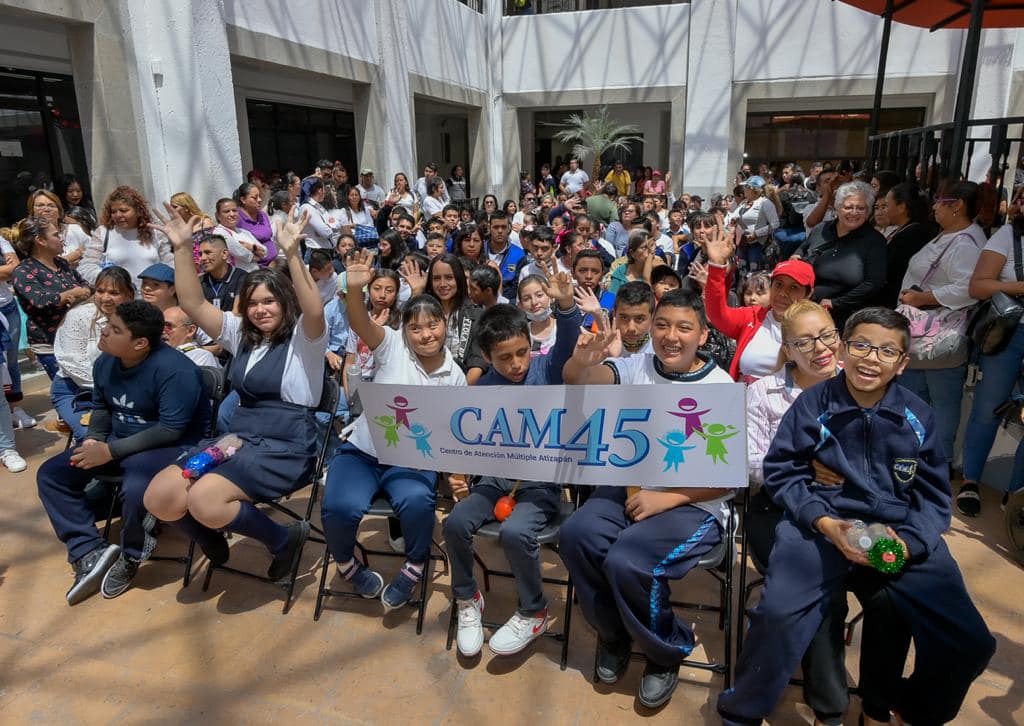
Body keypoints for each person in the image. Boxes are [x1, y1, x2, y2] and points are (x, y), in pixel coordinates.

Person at [718, 307, 996, 726]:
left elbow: (934, 496)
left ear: (903, 364)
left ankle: (913, 709)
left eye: (887, 351)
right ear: (845, 351)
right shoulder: (813, 405)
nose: (871, 358)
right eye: (862, 345)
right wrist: (824, 522)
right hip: (820, 528)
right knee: (776, 614)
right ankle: (741, 711)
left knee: (971, 642)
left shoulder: (918, 416)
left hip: (894, 530)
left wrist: (910, 541)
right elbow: (782, 470)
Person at [560, 289, 734, 709]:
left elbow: (729, 480)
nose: (670, 336)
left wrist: (669, 498)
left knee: (628, 560)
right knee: (576, 534)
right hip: (629, 489)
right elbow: (578, 380)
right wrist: (583, 359)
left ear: (703, 336)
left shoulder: (720, 386)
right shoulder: (634, 365)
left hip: (695, 503)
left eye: (683, 327)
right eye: (662, 325)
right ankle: (615, 634)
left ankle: (664, 651)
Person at [142, 203, 327, 585]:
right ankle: (212, 541)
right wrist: (182, 249)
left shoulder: (304, 339)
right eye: (254, 302)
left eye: (270, 301)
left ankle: (282, 540)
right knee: (160, 496)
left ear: (285, 302)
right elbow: (192, 303)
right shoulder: (240, 333)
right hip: (238, 441)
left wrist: (292, 253)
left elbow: (314, 310)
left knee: (205, 499)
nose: (261, 310)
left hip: (286, 446)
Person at [37, 300, 211, 603]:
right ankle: (88, 551)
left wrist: (110, 451)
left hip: (171, 446)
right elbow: (102, 407)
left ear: (141, 343)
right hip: (119, 442)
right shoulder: (106, 362)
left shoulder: (176, 370)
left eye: (115, 329)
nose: (104, 332)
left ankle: (130, 557)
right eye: (108, 325)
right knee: (52, 475)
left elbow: (171, 429)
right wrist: (93, 439)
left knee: (136, 488)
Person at [321, 248, 467, 610]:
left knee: (418, 503)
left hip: (413, 461)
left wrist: (457, 473)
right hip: (364, 452)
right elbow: (359, 323)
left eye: (433, 325)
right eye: (415, 328)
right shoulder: (391, 345)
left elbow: (454, 433)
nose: (425, 334)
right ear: (406, 331)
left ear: (444, 326)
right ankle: (347, 565)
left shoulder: (456, 375)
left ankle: (415, 564)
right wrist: (355, 290)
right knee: (339, 505)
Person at [446, 278, 581, 657]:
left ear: (531, 344)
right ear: (487, 357)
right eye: (505, 358)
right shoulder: (481, 388)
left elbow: (568, 343)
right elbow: (466, 439)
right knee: (455, 523)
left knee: (515, 532)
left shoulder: (548, 370)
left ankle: (533, 609)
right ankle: (467, 598)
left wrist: (567, 307)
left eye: (522, 352)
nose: (517, 363)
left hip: (540, 484)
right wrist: (458, 471)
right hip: (493, 482)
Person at [744, 300, 857, 726]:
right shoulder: (763, 392)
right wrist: (803, 466)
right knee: (819, 592)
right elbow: (750, 461)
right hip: (776, 507)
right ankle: (830, 709)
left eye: (827, 336)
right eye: (804, 342)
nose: (820, 349)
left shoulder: (861, 383)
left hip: (847, 507)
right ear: (787, 349)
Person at [897, 181, 986, 468]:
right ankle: (910, 458)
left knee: (942, 404)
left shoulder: (965, 243)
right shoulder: (951, 236)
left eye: (939, 200)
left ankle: (938, 464)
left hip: (939, 338)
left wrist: (923, 298)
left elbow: (968, 288)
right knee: (914, 401)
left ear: (956, 205)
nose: (933, 206)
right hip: (922, 338)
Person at [958, 196, 1024, 516]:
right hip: (1010, 333)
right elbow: (979, 286)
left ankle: (1016, 498)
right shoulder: (1009, 236)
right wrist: (1020, 286)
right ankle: (970, 481)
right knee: (988, 408)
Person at [703, 224, 815, 382]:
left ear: (808, 294)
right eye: (779, 284)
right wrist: (716, 266)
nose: (783, 293)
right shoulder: (752, 316)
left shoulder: (818, 327)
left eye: (794, 287)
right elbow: (717, 314)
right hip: (746, 401)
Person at [51, 266, 135, 440]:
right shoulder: (79, 316)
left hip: (122, 392)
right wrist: (114, 392)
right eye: (100, 291)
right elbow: (72, 363)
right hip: (76, 389)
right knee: (93, 437)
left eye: (114, 293)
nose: (105, 298)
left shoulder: (136, 319)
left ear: (129, 295)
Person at [794, 181, 887, 331]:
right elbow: (800, 251)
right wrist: (796, 258)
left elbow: (873, 283)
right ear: (837, 208)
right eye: (848, 207)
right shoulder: (821, 229)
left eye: (861, 208)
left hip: (846, 319)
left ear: (868, 211)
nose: (854, 212)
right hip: (805, 310)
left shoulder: (874, 241)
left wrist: (836, 303)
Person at [10, 216, 93, 379]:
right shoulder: (23, 271)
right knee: (69, 390)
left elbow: (86, 286)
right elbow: (40, 300)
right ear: (40, 240)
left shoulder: (62, 263)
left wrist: (81, 292)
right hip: (49, 343)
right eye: (56, 235)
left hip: (78, 336)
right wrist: (73, 294)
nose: (61, 238)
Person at [80, 186, 173, 284]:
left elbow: (170, 263)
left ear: (138, 211)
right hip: (119, 296)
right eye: (113, 212)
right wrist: (112, 281)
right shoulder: (103, 232)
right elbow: (87, 265)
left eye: (123, 210)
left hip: (151, 295)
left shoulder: (154, 231)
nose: (118, 215)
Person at [422, 254, 488, 383]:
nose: (442, 284)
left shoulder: (476, 314)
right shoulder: (423, 312)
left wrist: (459, 392)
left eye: (449, 278)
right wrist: (416, 292)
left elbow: (478, 362)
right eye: (436, 278)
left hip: (463, 386)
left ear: (459, 279)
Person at [879, 183, 934, 308]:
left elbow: (891, 270)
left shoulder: (913, 235)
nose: (883, 211)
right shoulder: (905, 230)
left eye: (886, 205)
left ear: (901, 207)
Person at [1, 226, 31, 427]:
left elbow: (15, 267)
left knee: (11, 360)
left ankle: (14, 409)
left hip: (7, 306)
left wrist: (8, 269)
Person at [726, 175, 780, 275]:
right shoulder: (744, 203)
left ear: (752, 190)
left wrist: (756, 234)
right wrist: (733, 219)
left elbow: (775, 224)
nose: (744, 190)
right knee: (742, 270)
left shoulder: (765, 203)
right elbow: (734, 215)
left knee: (755, 272)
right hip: (744, 242)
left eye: (746, 187)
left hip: (759, 244)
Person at [28, 189, 91, 268]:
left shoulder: (74, 229)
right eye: (40, 205)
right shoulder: (30, 237)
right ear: (32, 211)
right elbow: (42, 266)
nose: (46, 209)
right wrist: (76, 254)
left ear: (59, 211)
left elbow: (94, 248)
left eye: (51, 205)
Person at [195, 231, 246, 313]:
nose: (203, 258)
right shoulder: (199, 281)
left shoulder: (242, 277)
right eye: (200, 254)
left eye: (208, 252)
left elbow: (237, 313)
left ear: (224, 254)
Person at [235, 182, 277, 266]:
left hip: (273, 264)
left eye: (260, 196)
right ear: (243, 200)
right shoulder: (237, 218)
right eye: (255, 198)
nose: (259, 200)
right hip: (254, 267)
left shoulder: (263, 215)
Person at [300, 179, 339, 253]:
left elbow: (337, 224)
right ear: (320, 190)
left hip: (327, 251)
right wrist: (330, 225)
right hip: (316, 252)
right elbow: (326, 233)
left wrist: (328, 226)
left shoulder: (319, 206)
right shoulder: (307, 207)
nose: (325, 192)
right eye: (324, 188)